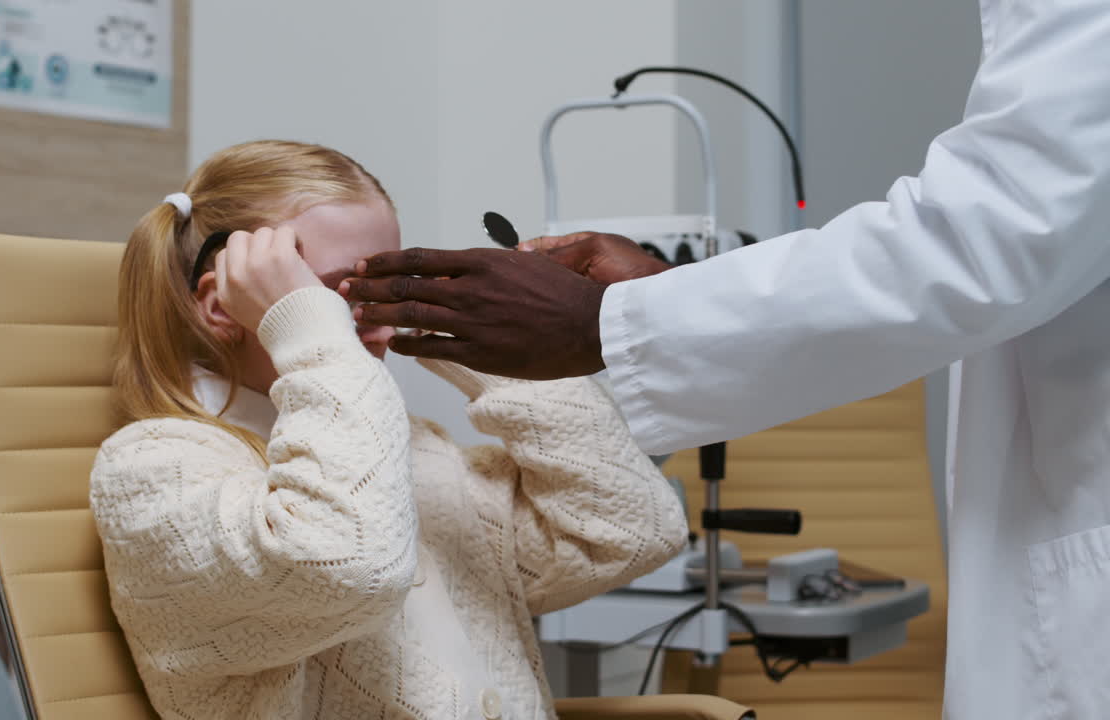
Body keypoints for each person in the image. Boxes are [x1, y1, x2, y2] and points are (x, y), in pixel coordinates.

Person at [338, 1, 1110, 717]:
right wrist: (652, 307)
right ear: (215, 300)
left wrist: (601, 327)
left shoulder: (433, 475)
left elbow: (996, 234)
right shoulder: (225, 471)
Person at [87, 140, 689, 720]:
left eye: (384, 287)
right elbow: (349, 568)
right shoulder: (153, 471)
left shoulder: (418, 450)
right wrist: (311, 333)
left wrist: (483, 339)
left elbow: (626, 534)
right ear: (224, 307)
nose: (371, 320)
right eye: (325, 295)